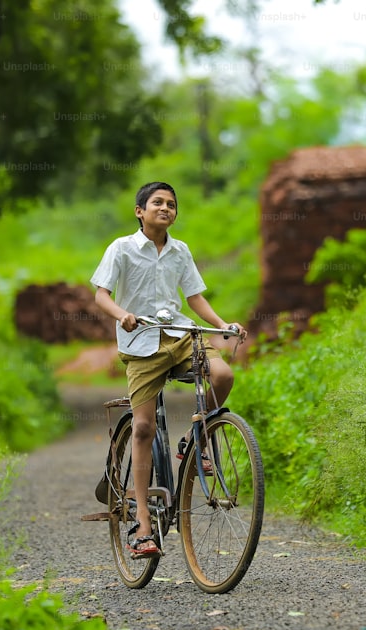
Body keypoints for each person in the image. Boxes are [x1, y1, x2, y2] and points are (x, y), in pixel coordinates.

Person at [91, 181, 245, 558]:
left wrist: (223, 325)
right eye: (157, 202)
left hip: (178, 335)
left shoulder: (180, 251)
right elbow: (100, 295)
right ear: (139, 211)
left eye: (171, 204)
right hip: (141, 342)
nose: (165, 208)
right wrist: (123, 316)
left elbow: (194, 298)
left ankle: (194, 441)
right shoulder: (122, 248)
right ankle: (143, 525)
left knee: (223, 375)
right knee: (143, 427)